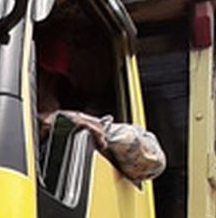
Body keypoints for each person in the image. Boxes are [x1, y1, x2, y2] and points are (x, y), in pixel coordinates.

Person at [35, 31, 166, 184]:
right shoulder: (11, 125)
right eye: (39, 76)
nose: (45, 85)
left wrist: (72, 125)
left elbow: (152, 159)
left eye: (51, 79)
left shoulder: (76, 126)